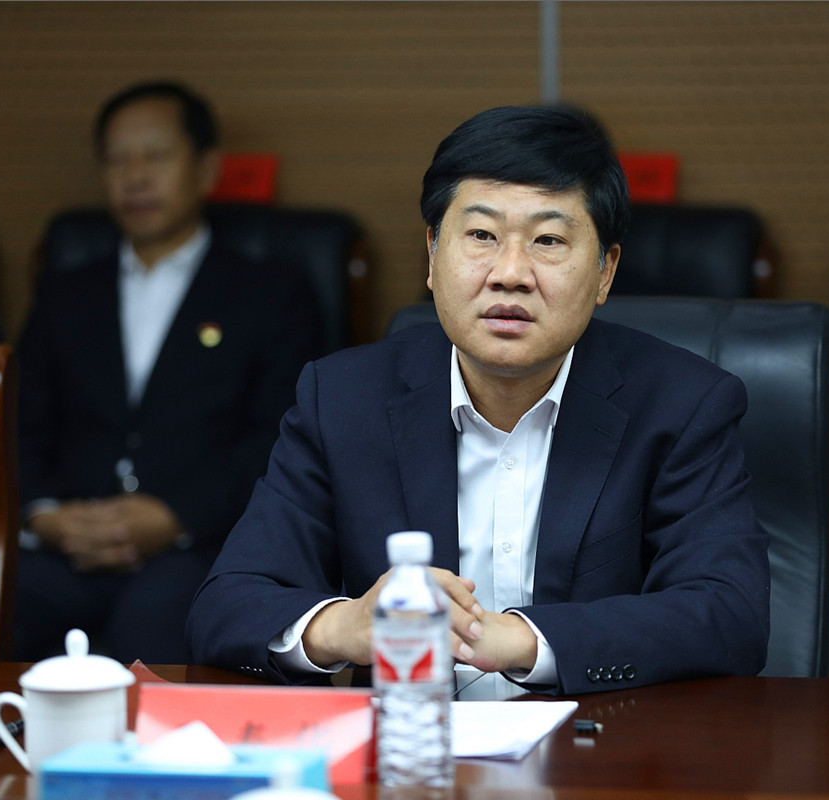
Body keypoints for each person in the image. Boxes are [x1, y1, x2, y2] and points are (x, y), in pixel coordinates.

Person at [187, 105, 770, 694]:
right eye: (482, 236)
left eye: (548, 240)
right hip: (414, 739)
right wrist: (345, 627)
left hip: (601, 741)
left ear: (604, 272)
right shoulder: (342, 399)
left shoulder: (682, 405)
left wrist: (525, 640)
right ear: (433, 255)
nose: (510, 273)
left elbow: (730, 614)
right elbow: (226, 605)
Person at [14, 81, 323, 663]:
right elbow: (19, 422)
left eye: (155, 156)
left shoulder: (269, 293)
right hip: (67, 546)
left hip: (199, 546)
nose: (135, 177)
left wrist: (177, 516)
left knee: (160, 619)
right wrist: (45, 516)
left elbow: (282, 434)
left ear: (206, 169)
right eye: (117, 160)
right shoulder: (65, 292)